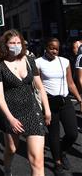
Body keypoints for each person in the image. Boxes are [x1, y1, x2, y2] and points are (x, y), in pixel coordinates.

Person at [0, 29, 51, 175]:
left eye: (18, 42)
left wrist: (47, 109)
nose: (16, 45)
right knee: (11, 149)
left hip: (32, 111)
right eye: (12, 43)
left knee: (37, 160)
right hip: (10, 112)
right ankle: (7, 169)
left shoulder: (30, 60)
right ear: (5, 45)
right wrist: (10, 118)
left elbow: (40, 86)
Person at [35, 38, 82, 175]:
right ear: (46, 47)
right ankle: (57, 163)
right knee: (54, 134)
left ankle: (62, 151)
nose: (54, 51)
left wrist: (79, 100)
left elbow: (71, 83)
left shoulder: (64, 61)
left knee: (73, 133)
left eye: (57, 49)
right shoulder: (38, 63)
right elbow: (37, 86)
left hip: (65, 101)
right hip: (49, 102)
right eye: (51, 48)